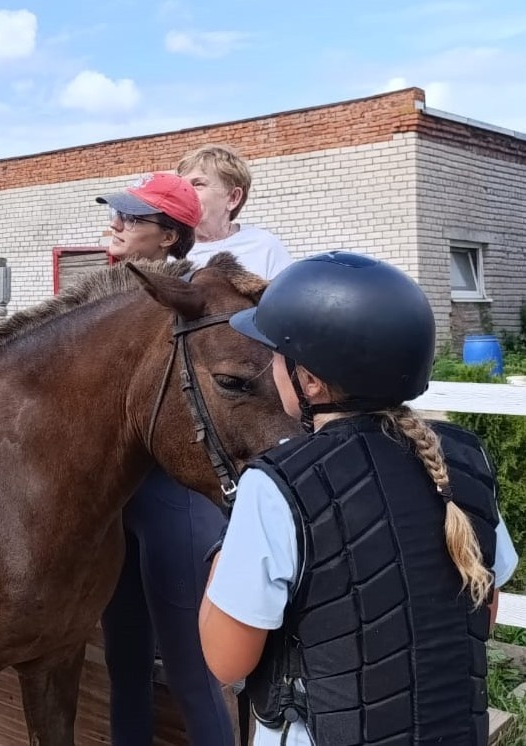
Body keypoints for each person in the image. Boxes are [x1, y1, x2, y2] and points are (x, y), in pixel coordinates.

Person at [199, 251, 519, 745]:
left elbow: (227, 661)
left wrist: (226, 554)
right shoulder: (465, 456)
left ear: (309, 380)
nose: (270, 367)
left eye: (276, 355)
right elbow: (483, 611)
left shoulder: (278, 484)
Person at [94, 172, 236, 745]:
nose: (117, 224)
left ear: (170, 236)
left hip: (171, 501)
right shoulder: (110, 298)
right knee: (124, 668)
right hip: (118, 505)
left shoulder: (190, 300)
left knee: (191, 676)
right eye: (118, 213)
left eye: (133, 218)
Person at [176, 144, 291, 279]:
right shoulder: (165, 248)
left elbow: (288, 292)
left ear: (233, 198)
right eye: (181, 185)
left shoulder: (263, 245)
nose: (183, 192)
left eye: (198, 184)